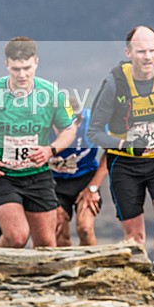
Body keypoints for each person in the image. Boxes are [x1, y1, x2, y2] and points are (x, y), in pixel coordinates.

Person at [88, 26, 154, 273]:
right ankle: (141, 283)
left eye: (153, 50)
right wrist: (126, 145)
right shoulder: (114, 85)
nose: (147, 57)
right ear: (128, 52)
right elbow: (94, 132)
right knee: (135, 238)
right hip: (124, 165)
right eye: (141, 51)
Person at [0, 37, 77, 249]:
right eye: (15, 69)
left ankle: (36, 281)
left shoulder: (51, 94)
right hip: (1, 174)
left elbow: (69, 129)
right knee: (17, 237)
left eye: (27, 68)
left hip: (36, 173)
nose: (22, 75)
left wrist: (50, 150)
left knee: (46, 244)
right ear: (6, 65)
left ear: (36, 62)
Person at [48, 96, 108, 247]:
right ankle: (66, 268)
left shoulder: (93, 125)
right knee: (59, 225)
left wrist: (93, 187)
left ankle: (92, 269)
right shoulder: (43, 127)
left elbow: (112, 153)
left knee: (85, 228)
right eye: (58, 126)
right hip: (55, 181)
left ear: (79, 122)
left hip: (85, 179)